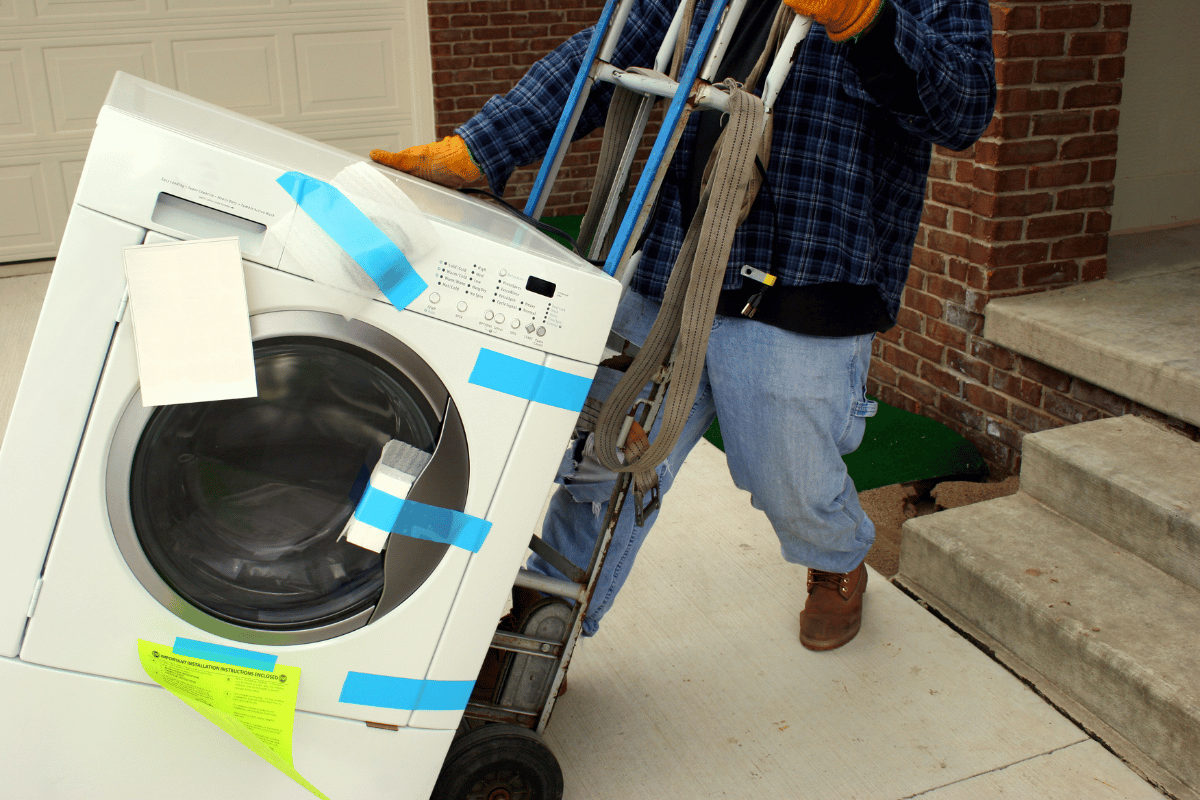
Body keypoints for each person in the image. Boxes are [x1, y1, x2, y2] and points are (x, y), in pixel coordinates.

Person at [372, 0, 995, 651]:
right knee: (605, 464)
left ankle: (835, 559)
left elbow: (964, 110)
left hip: (807, 277)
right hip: (676, 262)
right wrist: (479, 147)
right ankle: (537, 645)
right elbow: (609, 52)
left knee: (793, 485)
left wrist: (866, 19)